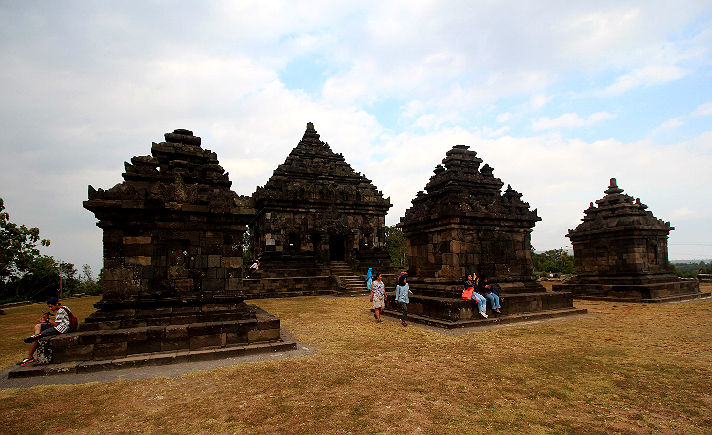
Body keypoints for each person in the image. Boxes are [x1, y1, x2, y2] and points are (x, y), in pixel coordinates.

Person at [17, 296, 73, 366]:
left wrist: (47, 319)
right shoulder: (64, 308)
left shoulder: (61, 311)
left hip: (61, 329)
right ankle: (35, 335)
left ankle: (30, 355)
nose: (50, 308)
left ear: (56, 304)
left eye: (51, 306)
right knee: (38, 326)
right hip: (59, 326)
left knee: (39, 336)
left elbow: (56, 324)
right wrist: (45, 321)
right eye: (49, 307)